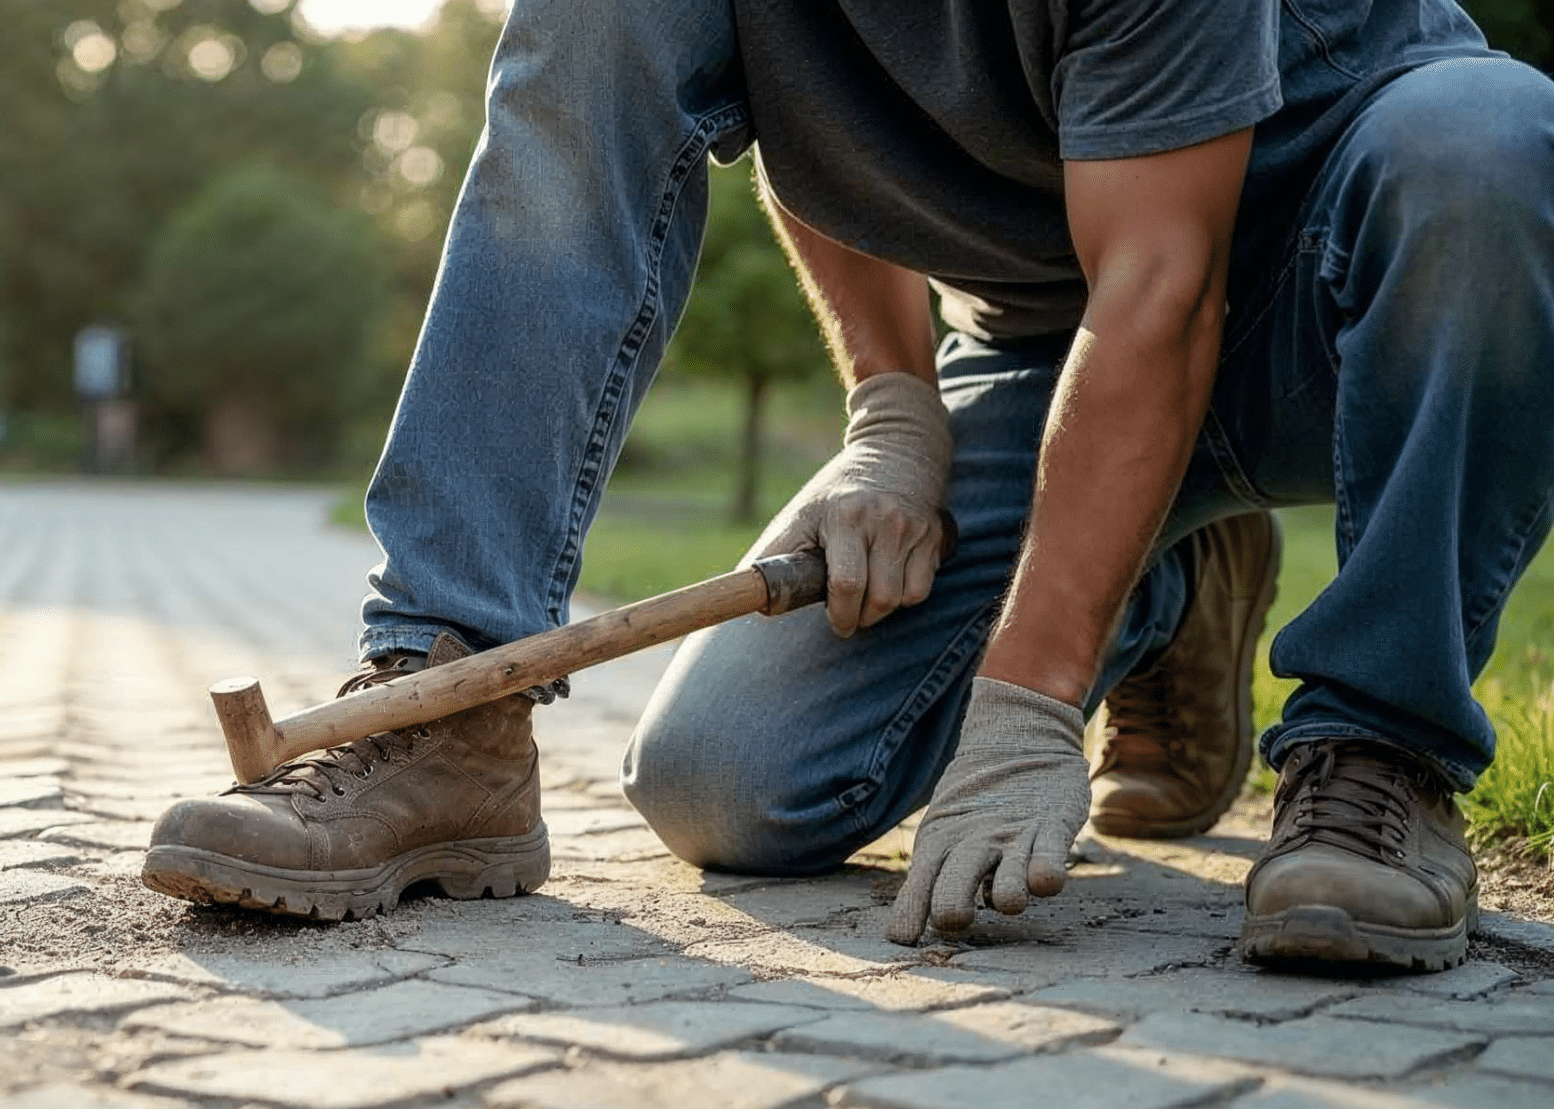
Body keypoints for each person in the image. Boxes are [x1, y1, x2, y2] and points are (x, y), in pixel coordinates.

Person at [143, 0, 1554, 975]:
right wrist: (893, 411)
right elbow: (820, 122)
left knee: (1491, 143)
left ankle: (1380, 746)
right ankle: (449, 695)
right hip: (1044, 349)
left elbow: (1164, 289)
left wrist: (1027, 706)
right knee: (731, 788)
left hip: (1339, 285)